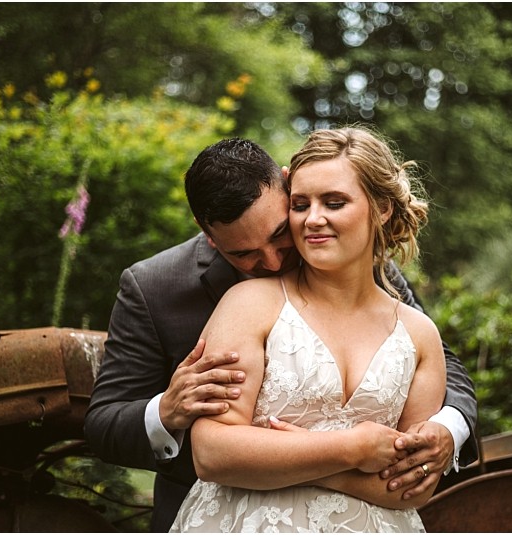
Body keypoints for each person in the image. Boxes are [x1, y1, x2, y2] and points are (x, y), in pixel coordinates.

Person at [84, 134, 478, 532]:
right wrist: (165, 412)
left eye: (278, 235)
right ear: (209, 235)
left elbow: (439, 364)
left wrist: (447, 429)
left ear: (286, 185)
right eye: (243, 254)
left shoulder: (367, 266)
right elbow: (105, 423)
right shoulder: (157, 287)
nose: (272, 262)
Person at [171, 126, 448, 532]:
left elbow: (414, 487)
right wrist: (352, 448)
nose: (313, 219)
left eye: (334, 202)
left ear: (382, 207)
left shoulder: (420, 334)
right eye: (300, 205)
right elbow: (213, 454)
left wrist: (301, 462)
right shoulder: (249, 305)